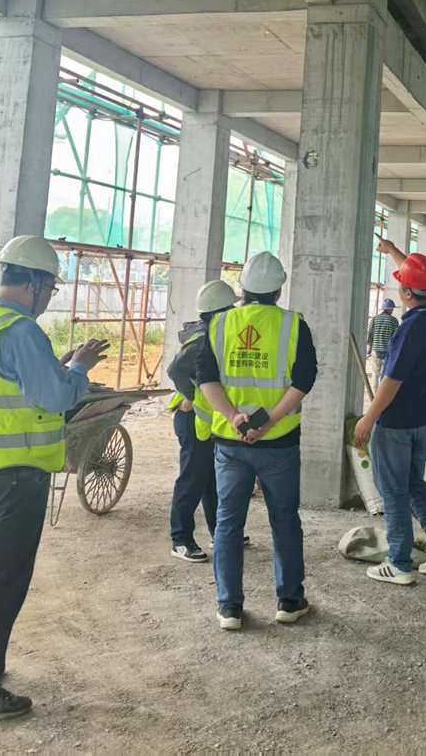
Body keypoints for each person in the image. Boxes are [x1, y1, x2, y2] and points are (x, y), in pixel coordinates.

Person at [0, 236, 109, 721]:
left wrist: (55, 368)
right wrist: (78, 368)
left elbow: (11, 384)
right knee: (2, 579)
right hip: (16, 475)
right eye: (51, 289)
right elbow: (57, 398)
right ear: (36, 283)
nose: (48, 299)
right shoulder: (21, 330)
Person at [195, 251, 317, 630]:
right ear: (279, 291)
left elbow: (204, 377)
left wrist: (234, 417)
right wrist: (268, 421)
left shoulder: (219, 323)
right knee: (285, 521)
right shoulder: (294, 325)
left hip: (231, 444)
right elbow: (305, 379)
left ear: (242, 288)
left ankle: (229, 607)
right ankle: (290, 601)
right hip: (278, 442)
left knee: (228, 524)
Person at [354, 237, 426, 586]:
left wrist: (369, 418)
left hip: (397, 423)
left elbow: (391, 382)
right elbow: (418, 278)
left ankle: (399, 563)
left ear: (406, 294)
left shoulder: (408, 330)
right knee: (415, 484)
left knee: (393, 491)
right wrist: (392, 252)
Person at [166, 278, 253, 562]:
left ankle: (221, 532)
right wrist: (190, 394)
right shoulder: (203, 338)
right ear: (221, 310)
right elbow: (176, 370)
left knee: (212, 479)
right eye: (231, 308)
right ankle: (180, 539)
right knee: (192, 478)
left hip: (207, 421)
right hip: (192, 420)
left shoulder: (217, 331)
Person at [366, 298, 399, 392]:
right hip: (388, 352)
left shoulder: (375, 319)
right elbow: (396, 337)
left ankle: (375, 393)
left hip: (376, 350)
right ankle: (383, 393)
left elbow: (369, 334)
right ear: (390, 309)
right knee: (386, 375)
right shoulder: (394, 321)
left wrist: (370, 346)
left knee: (375, 373)